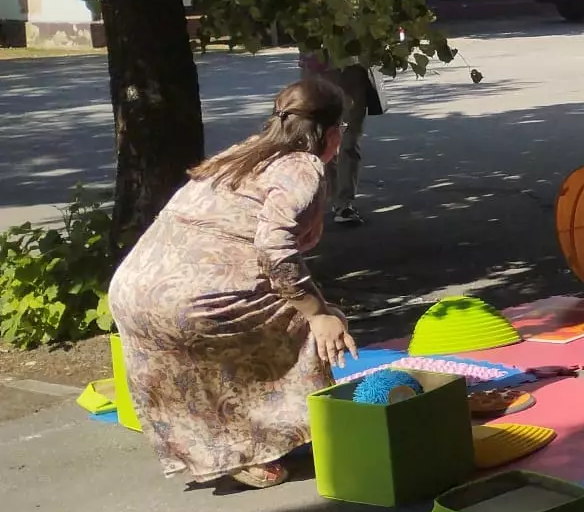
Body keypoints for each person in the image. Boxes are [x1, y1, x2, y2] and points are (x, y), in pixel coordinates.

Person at [108, 79, 361, 489]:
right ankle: (274, 440)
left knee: (271, 314)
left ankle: (223, 447)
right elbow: (275, 248)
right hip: (190, 301)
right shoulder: (301, 167)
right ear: (332, 133)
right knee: (311, 320)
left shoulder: (241, 154)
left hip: (133, 291)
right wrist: (319, 314)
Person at [298, 48, 383, 226]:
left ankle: (343, 203)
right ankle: (330, 198)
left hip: (353, 70)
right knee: (323, 140)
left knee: (349, 139)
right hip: (320, 71)